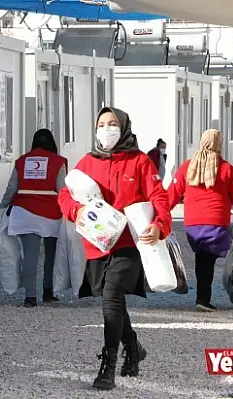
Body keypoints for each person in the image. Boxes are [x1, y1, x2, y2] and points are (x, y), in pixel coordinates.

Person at [58, 107, 172, 391]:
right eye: (101, 124)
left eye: (112, 124)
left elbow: (160, 197)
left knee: (111, 295)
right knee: (114, 300)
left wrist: (160, 225)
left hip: (129, 243)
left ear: (123, 128)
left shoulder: (140, 162)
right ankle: (133, 348)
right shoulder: (88, 161)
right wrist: (75, 211)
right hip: (97, 244)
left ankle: (107, 365)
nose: (106, 129)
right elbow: (65, 194)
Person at [168, 129, 233, 312]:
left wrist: (160, 215)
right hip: (216, 223)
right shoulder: (225, 168)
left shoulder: (187, 167)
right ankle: (203, 298)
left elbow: (171, 195)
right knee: (208, 260)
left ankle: (202, 296)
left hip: (192, 224)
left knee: (203, 259)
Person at [0, 129, 67, 307]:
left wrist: (3, 205)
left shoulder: (22, 161)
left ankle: (30, 297)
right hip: (52, 213)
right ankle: (48, 291)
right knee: (52, 253)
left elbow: (11, 188)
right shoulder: (58, 162)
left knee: (30, 255)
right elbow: (62, 190)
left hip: (24, 211)